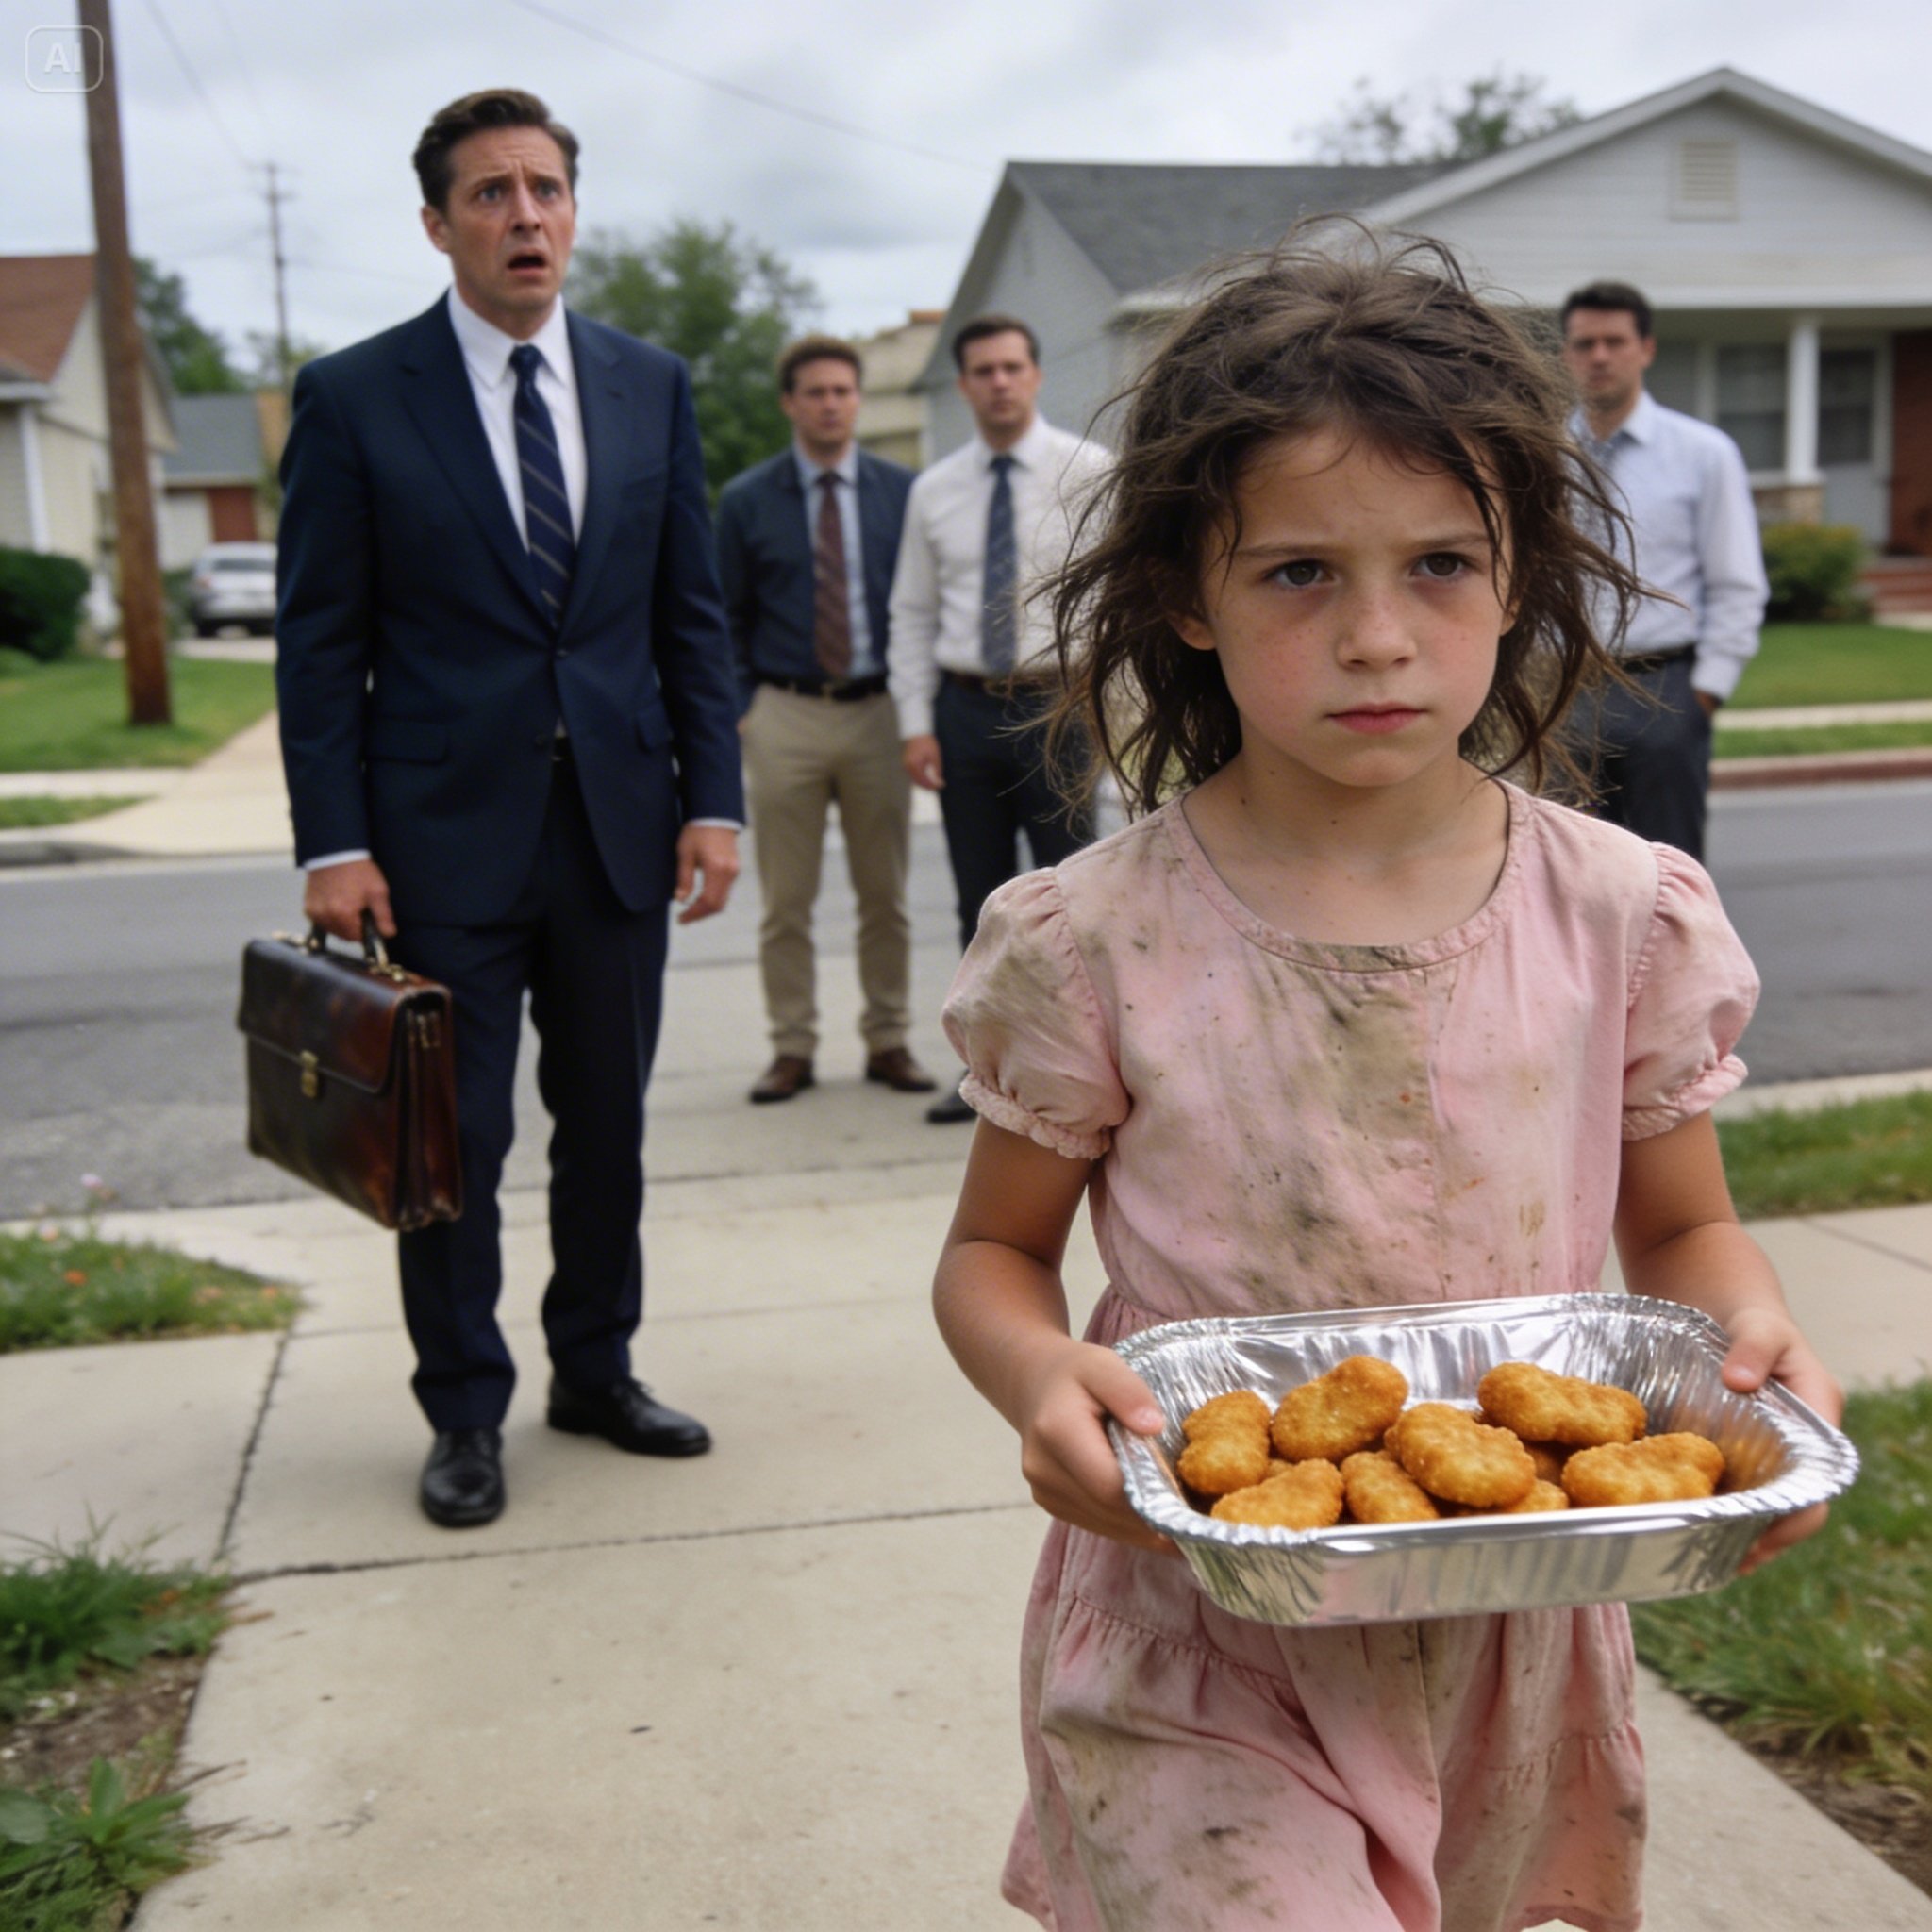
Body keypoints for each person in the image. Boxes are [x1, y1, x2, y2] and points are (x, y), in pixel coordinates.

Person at [929, 234, 1840, 1931]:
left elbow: (1683, 1227)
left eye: (1437, 564)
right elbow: (991, 1253)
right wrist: (1038, 1373)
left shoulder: (1619, 917)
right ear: (1187, 596)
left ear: (1518, 576)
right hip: (1201, 1632)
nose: (1374, 638)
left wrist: (1753, 1339)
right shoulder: (1093, 939)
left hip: (1504, 1633)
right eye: (1297, 573)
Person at [275, 89, 744, 1530]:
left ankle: (595, 1372)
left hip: (617, 828)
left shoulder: (649, 384)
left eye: (545, 189)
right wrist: (334, 843)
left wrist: (714, 803)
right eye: (491, 193)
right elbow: (319, 644)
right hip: (435, 847)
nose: (524, 215)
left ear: (573, 214)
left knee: (606, 1129)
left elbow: (688, 617)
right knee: (453, 1145)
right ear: (438, 225)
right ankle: (464, 1411)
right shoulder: (356, 397)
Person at [887, 315, 1109, 1122]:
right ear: (963, 386)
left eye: (1013, 367)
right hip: (965, 708)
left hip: (1058, 708)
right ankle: (986, 1078)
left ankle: (1082, 1073)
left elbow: (1115, 599)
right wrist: (916, 723)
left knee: (1072, 903)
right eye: (984, 371)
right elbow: (912, 611)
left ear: (1036, 375)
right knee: (979, 904)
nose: (1000, 382)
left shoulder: (1090, 473)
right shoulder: (934, 491)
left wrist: (1105, 705)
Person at [715, 336, 935, 1105]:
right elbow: (723, 613)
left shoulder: (904, 493)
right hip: (785, 712)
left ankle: (888, 1039)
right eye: (816, 392)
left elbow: (922, 603)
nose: (831, 404)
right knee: (786, 901)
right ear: (790, 402)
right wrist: (743, 707)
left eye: (843, 390)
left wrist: (918, 707)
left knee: (885, 894)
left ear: (858, 399)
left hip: (878, 711)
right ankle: (792, 1047)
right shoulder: (747, 500)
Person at [1560, 280, 1769, 860]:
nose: (1600, 356)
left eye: (1615, 341)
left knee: (1669, 875)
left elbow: (1737, 582)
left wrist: (1707, 692)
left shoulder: (1703, 454)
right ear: (1566, 354)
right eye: (1584, 343)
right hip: (1563, 693)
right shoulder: (1541, 455)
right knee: (1566, 871)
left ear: (1646, 349)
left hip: (1665, 693)